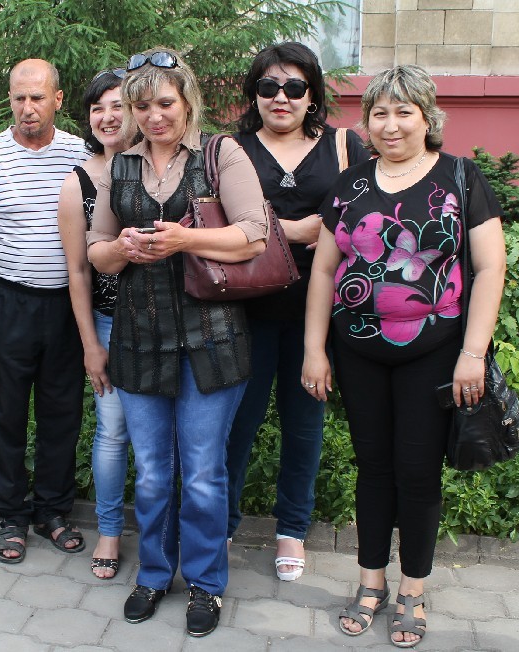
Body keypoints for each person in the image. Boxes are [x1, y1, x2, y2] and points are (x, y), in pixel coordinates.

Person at [302, 65, 506, 648]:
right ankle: (371, 582)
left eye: (404, 112)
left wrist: (473, 353)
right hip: (358, 352)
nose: (391, 125)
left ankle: (412, 588)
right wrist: (314, 349)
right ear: (367, 121)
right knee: (373, 469)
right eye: (380, 114)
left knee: (417, 473)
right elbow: (324, 269)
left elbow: (490, 267)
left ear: (427, 117)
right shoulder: (349, 185)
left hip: (434, 355)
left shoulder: (461, 177)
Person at [87, 48, 268, 637]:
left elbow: (254, 235)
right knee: (153, 472)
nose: (154, 116)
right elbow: (96, 252)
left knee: (203, 473)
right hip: (140, 336)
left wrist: (184, 240)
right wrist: (122, 250)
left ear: (187, 101)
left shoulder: (221, 153)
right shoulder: (120, 166)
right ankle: (155, 573)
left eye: (165, 103)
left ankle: (206, 583)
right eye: (142, 106)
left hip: (212, 338)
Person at [225, 42, 370, 582]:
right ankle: (222, 522)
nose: (280, 97)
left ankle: (292, 529)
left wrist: (311, 230)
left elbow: (365, 213)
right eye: (268, 86)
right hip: (245, 310)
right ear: (254, 94)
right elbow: (216, 218)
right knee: (234, 425)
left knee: (304, 425)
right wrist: (296, 228)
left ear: (312, 94)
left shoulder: (343, 145)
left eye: (294, 87)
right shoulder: (231, 148)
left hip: (319, 312)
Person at [0, 59, 89, 564]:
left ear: (58, 99)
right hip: (7, 303)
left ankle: (53, 510)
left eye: (37, 97)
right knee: (4, 413)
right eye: (19, 98)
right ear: (9, 100)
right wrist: (10, 262)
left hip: (67, 305)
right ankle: (11, 515)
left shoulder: (80, 153)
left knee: (62, 411)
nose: (28, 108)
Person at [57, 68, 130, 579]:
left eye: (118, 105)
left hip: (168, 322)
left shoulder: (164, 167)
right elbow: (78, 272)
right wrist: (90, 344)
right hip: (108, 321)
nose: (107, 116)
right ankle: (109, 531)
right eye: (97, 108)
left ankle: (165, 531)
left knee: (166, 437)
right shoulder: (78, 182)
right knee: (112, 430)